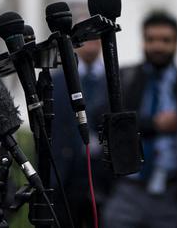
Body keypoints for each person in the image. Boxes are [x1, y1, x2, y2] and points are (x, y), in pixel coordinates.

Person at [104, 11, 177, 228]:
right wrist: (154, 125)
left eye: (165, 40)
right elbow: (104, 121)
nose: (158, 46)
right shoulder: (124, 79)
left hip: (173, 194)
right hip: (127, 191)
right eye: (151, 40)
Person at [53, 36, 111, 228]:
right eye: (83, 37)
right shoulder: (57, 81)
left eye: (94, 37)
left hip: (105, 180)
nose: (89, 43)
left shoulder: (114, 79)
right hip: (66, 179)